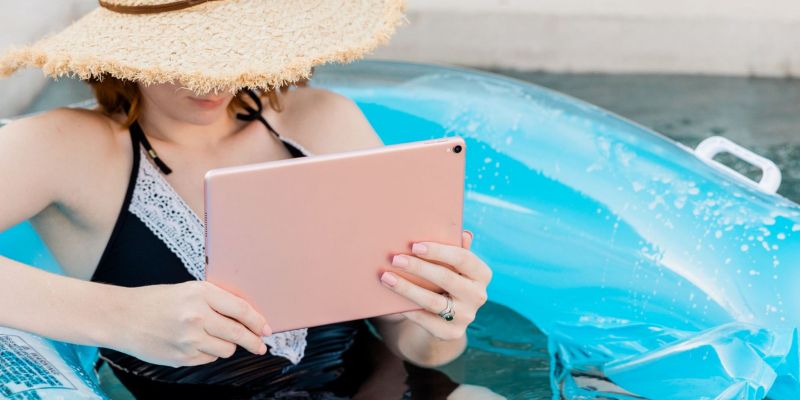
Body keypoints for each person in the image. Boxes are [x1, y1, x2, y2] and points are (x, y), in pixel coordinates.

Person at [0, 0, 494, 398]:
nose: (212, 76)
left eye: (227, 45)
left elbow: (413, 344)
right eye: (179, 50)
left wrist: (444, 320)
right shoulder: (67, 146)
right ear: (122, 53)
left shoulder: (322, 121)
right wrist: (121, 317)